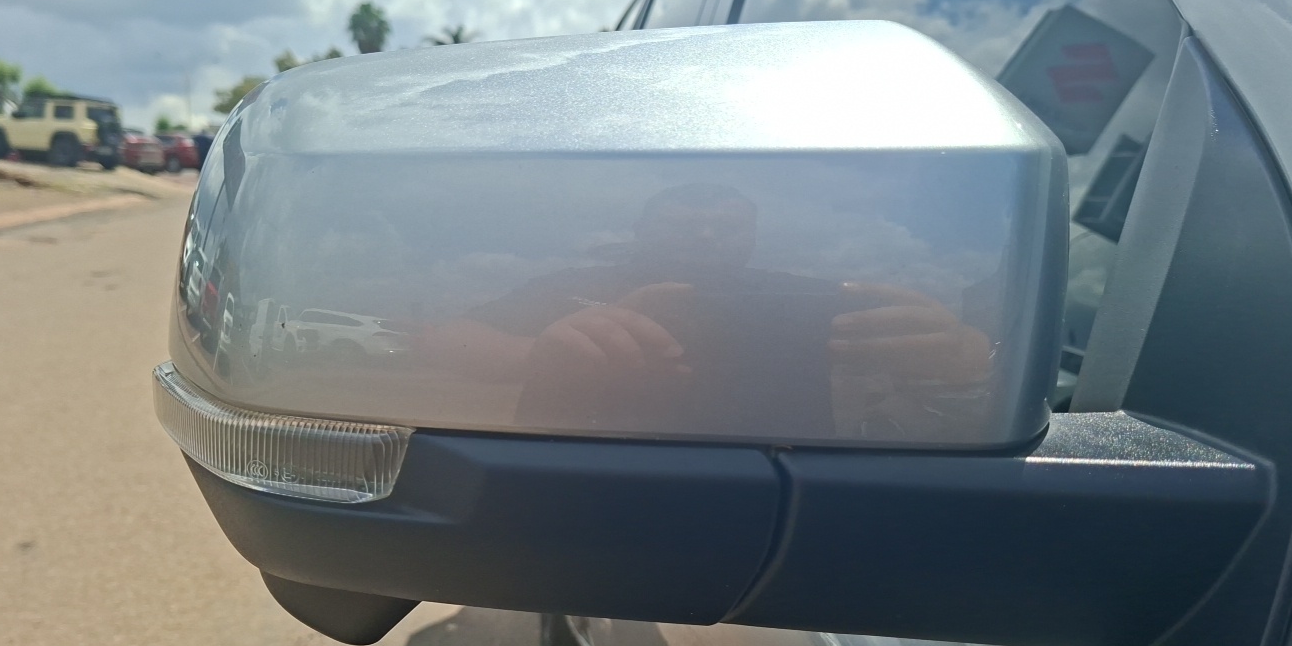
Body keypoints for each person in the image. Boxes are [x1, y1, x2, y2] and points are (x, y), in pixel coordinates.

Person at [420, 183, 991, 440]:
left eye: (728, 225)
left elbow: (949, 356)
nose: (706, 235)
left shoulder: (806, 299)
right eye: (682, 223)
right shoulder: (576, 288)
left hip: (793, 494)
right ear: (640, 231)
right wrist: (537, 352)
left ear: (753, 237)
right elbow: (449, 337)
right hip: (592, 478)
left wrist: (962, 357)